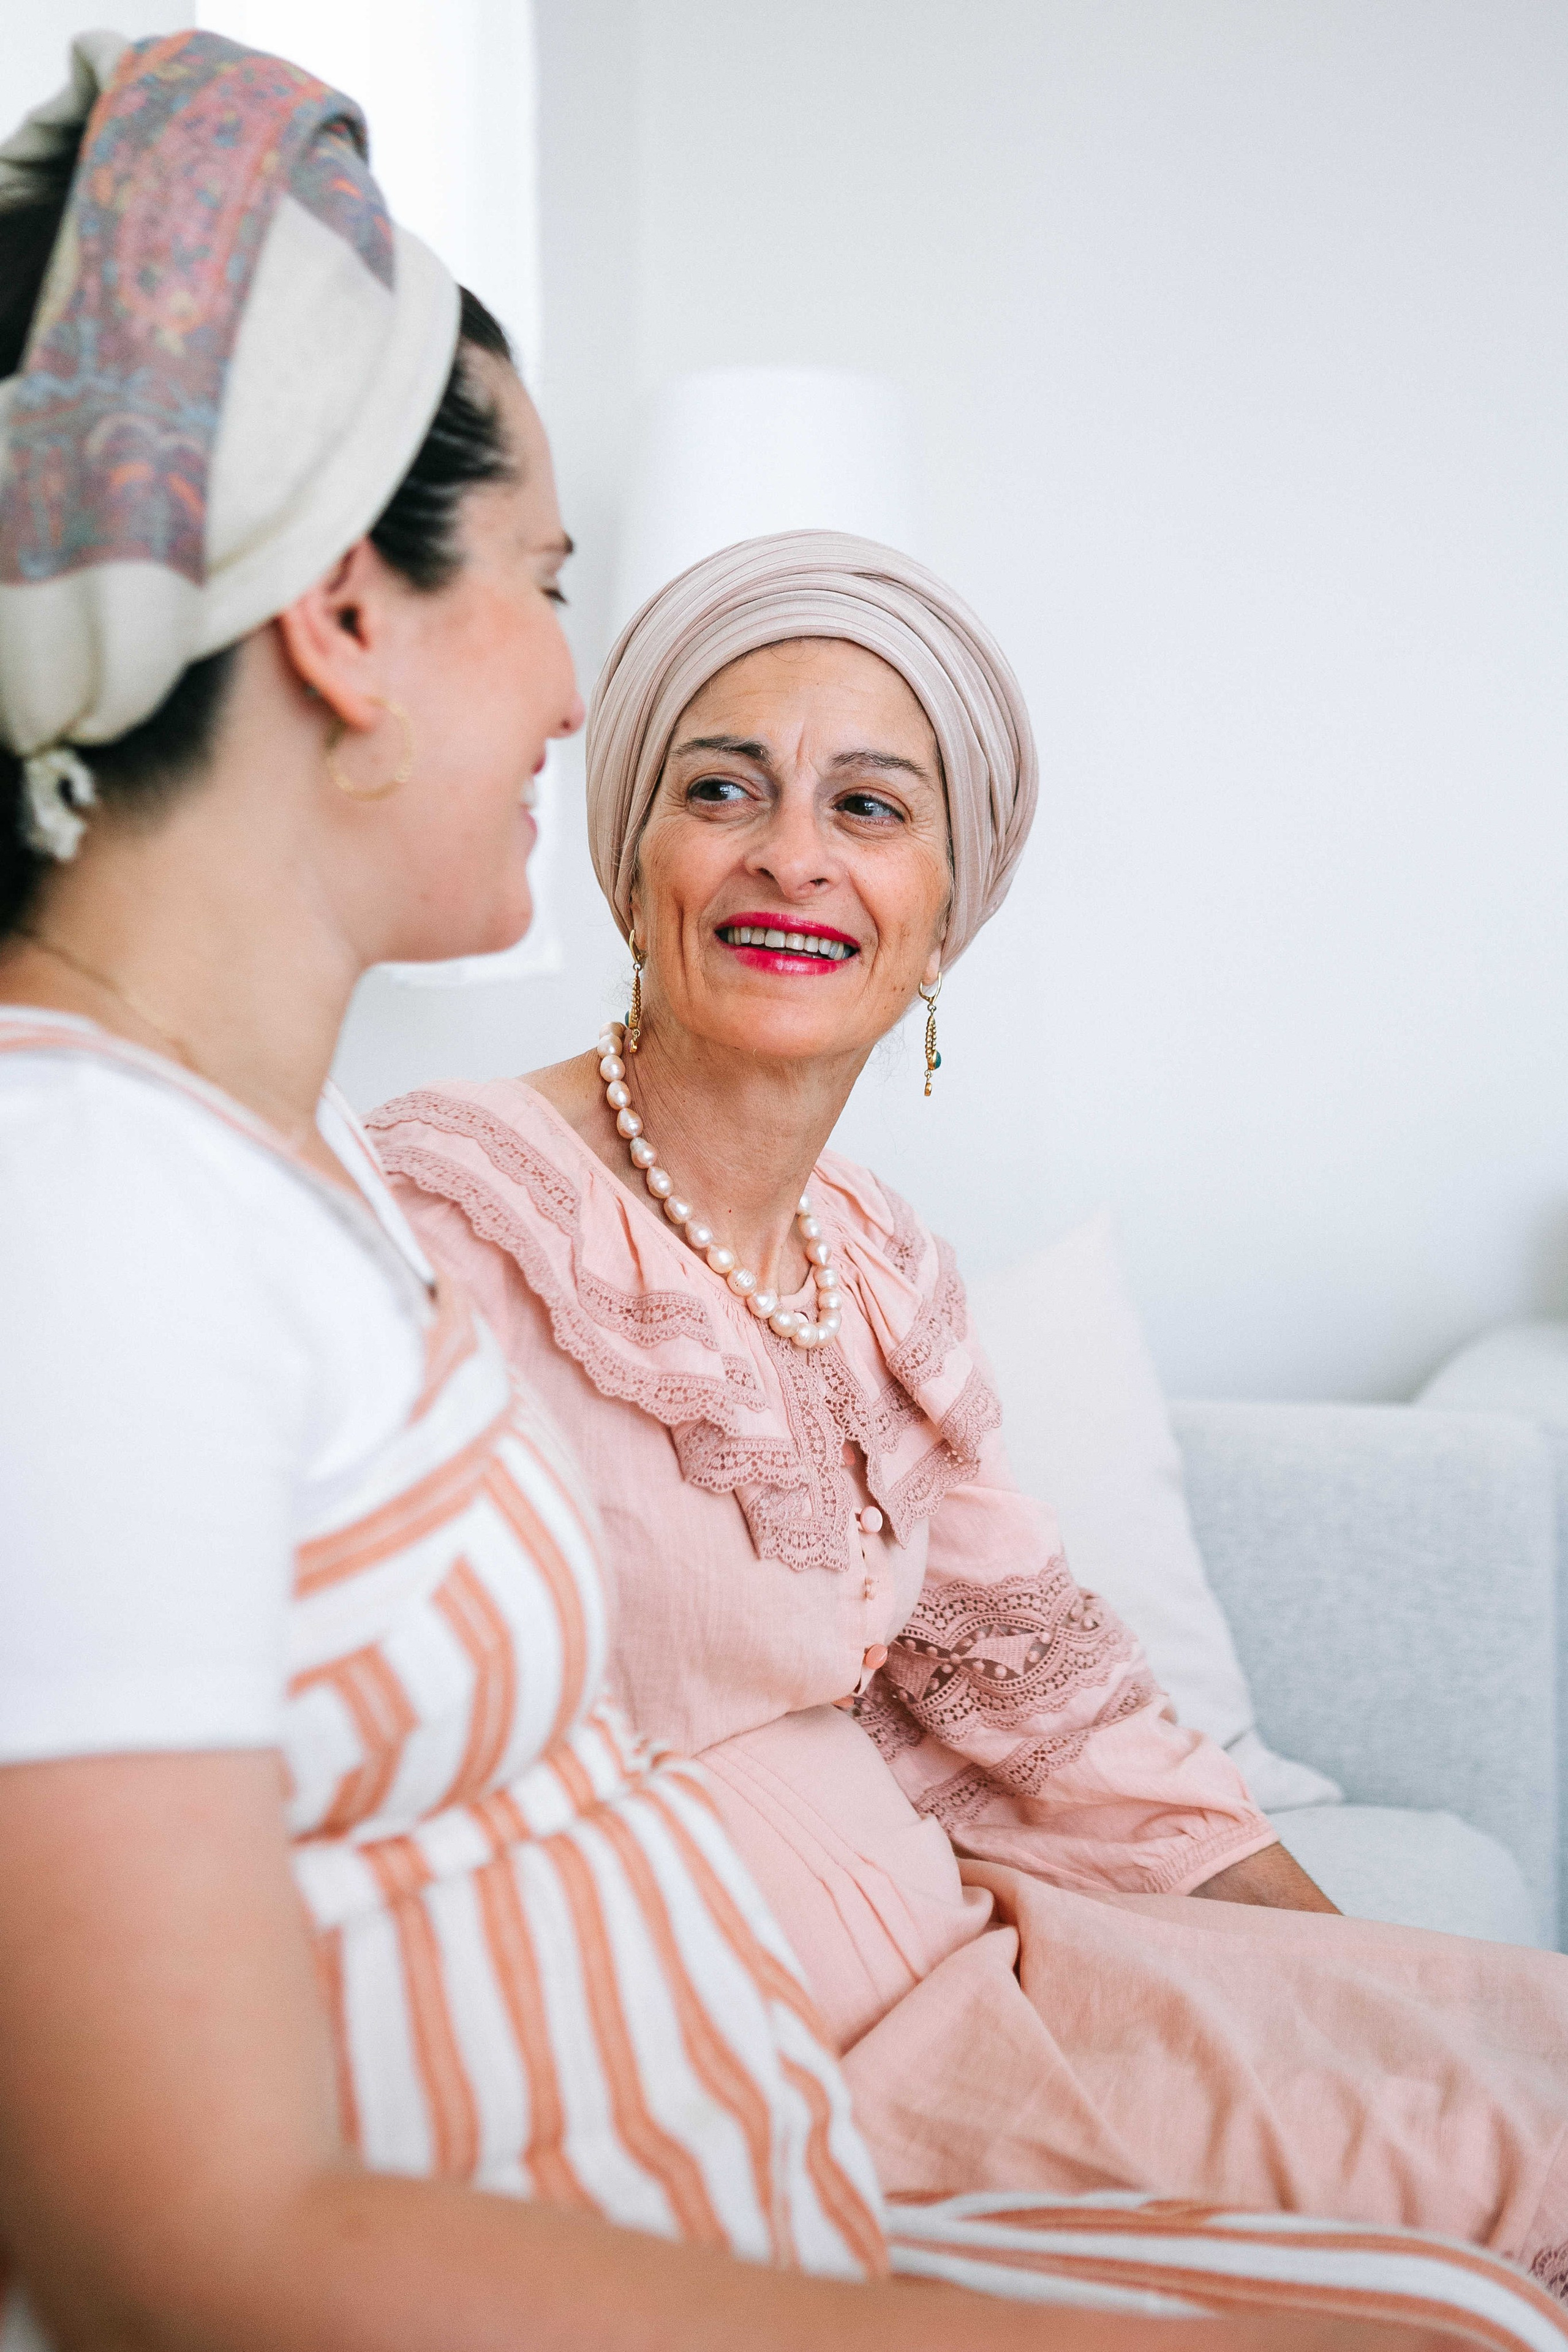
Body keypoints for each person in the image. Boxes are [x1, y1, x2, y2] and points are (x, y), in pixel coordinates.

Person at [375, 528, 1568, 2292]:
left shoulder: (878, 1265)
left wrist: (1345, 1981)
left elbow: (1054, 1696)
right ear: (633, 855)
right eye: (725, 788)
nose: (792, 855)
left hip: (968, 1969)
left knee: (1517, 2088)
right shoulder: (454, 1213)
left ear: (950, 904)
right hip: (728, 2070)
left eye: (870, 807)